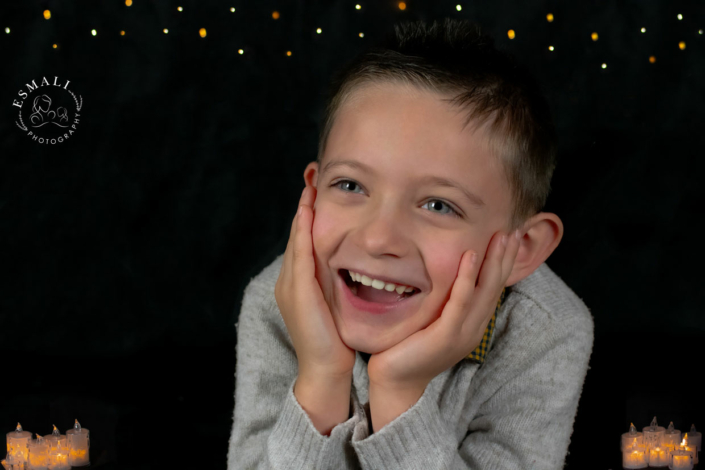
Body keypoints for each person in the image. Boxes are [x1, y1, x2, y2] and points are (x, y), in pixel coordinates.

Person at [228, 17, 594, 469]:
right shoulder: (277, 303)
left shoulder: (543, 330)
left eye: (438, 205)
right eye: (350, 186)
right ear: (313, 191)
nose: (378, 237)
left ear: (522, 249)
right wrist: (321, 376)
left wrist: (399, 392)